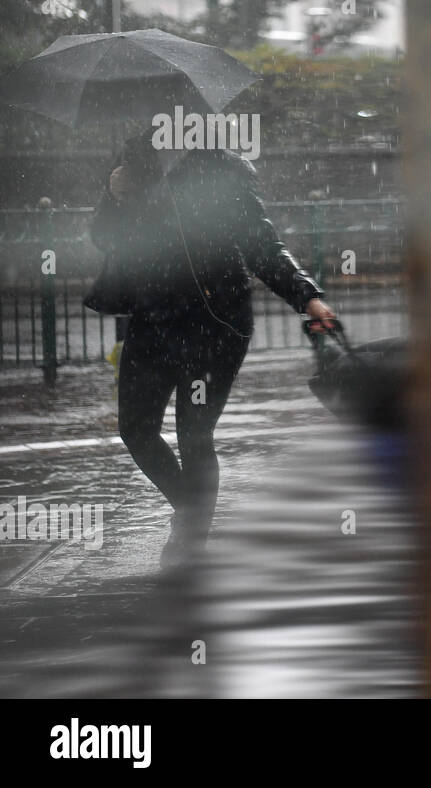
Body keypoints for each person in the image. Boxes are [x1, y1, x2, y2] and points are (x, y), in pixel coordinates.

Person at [89, 130, 336, 567]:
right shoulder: (133, 161)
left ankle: (191, 538)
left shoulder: (224, 169)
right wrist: (113, 196)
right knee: (136, 429)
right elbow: (105, 238)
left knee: (194, 433)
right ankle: (191, 511)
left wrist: (307, 296)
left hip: (215, 322)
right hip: (151, 319)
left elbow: (262, 245)